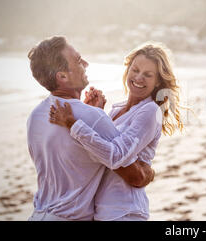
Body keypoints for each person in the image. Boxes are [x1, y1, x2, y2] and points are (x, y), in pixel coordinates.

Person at [49, 41, 184, 221]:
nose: (138, 78)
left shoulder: (150, 111)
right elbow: (102, 150)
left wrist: (73, 124)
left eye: (148, 75)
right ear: (127, 69)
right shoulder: (116, 109)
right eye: (135, 70)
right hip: (102, 209)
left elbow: (116, 156)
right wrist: (98, 113)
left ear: (158, 81)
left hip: (124, 211)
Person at [26, 36, 154, 221]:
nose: (85, 63)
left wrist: (93, 114)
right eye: (78, 60)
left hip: (39, 215)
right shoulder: (92, 117)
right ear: (62, 76)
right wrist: (150, 172)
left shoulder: (36, 116)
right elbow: (135, 177)